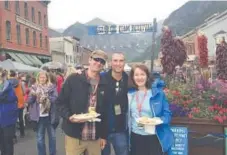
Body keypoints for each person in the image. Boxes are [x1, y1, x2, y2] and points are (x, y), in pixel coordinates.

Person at [56, 50, 109, 155]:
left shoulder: (105, 83)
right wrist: (69, 116)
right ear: (90, 60)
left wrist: (103, 136)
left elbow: (105, 112)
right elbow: (60, 102)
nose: (98, 63)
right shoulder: (74, 79)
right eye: (96, 59)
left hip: (95, 137)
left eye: (102, 61)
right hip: (75, 136)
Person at [128, 65, 174, 155]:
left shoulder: (157, 94)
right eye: (136, 75)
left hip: (154, 137)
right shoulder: (129, 94)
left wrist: (158, 120)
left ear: (147, 76)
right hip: (135, 137)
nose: (139, 77)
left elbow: (167, 115)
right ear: (133, 77)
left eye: (142, 74)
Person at [102, 52, 129, 155]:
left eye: (121, 61)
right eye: (115, 60)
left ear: (124, 62)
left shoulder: (129, 80)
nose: (118, 63)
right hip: (103, 129)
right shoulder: (101, 78)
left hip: (120, 129)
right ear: (110, 63)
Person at [27, 71, 59, 155]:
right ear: (38, 78)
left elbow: (55, 98)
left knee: (52, 137)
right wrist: (34, 95)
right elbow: (29, 101)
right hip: (39, 117)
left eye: (44, 77)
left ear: (47, 78)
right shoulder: (34, 88)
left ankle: (52, 153)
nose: (42, 78)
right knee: (40, 138)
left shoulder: (52, 87)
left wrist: (47, 96)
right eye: (40, 77)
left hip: (49, 116)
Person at [0, 67, 18, 155]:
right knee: (1, 144)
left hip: (7, 119)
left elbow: (12, 98)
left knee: (8, 143)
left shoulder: (9, 86)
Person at [8, 70, 25, 138]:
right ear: (15, 75)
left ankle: (13, 136)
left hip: (12, 103)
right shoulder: (19, 82)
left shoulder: (7, 83)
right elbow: (23, 93)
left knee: (13, 120)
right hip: (20, 103)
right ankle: (22, 133)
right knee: (20, 119)